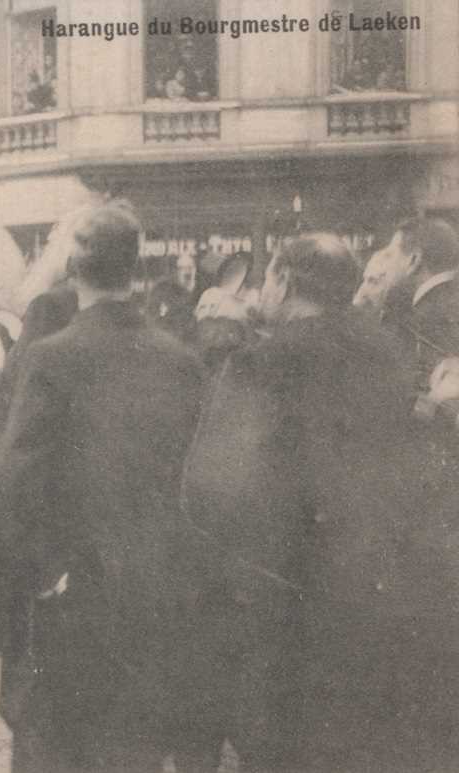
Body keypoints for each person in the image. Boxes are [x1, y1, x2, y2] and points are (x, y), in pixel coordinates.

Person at [182, 233, 457, 771]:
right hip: (379, 602)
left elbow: (212, 489)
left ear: (283, 282)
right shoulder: (389, 351)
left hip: (285, 611)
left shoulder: (261, 361)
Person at [0, 202, 206, 772]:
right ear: (134, 268)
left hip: (71, 594)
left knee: (56, 747)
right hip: (155, 591)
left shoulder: (49, 358)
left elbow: (16, 481)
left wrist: (37, 576)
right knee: (133, 748)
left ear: (72, 265)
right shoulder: (181, 360)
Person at [357, 217, 459, 388]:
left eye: (390, 255)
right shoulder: (450, 303)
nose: (385, 265)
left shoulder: (421, 319)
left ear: (413, 260)